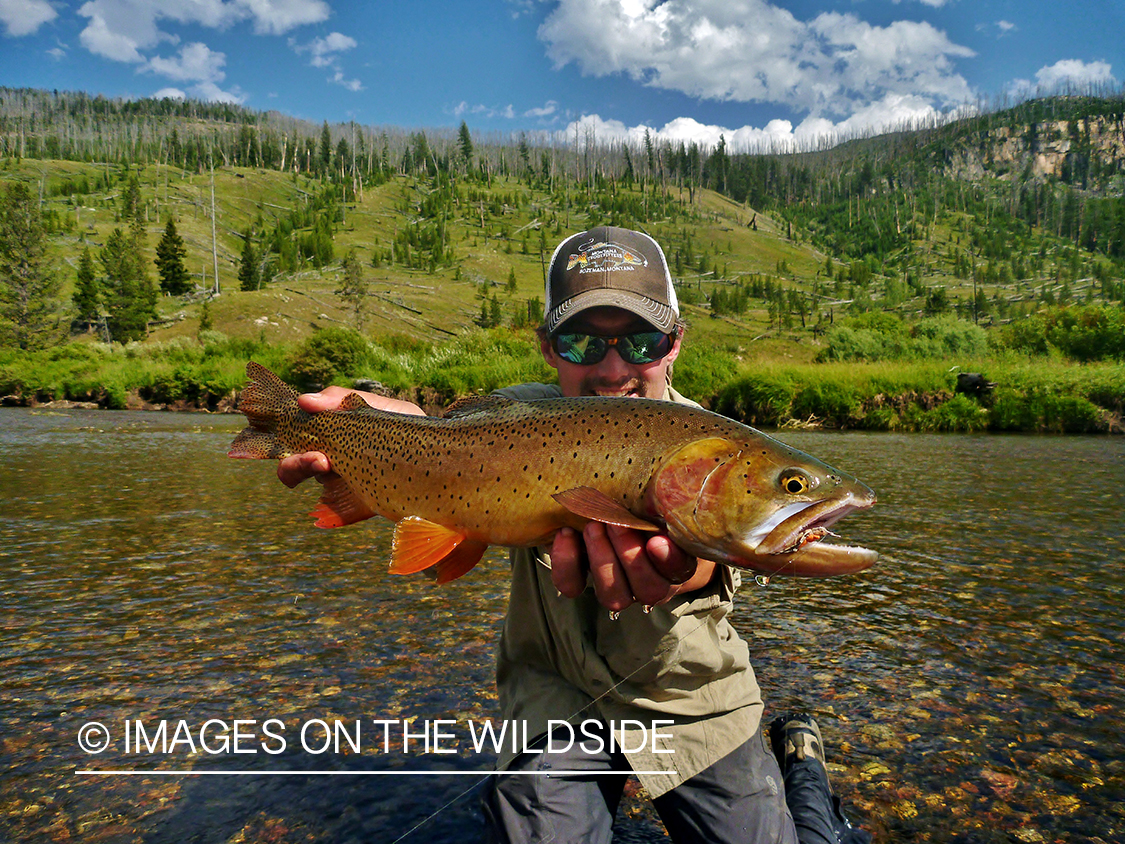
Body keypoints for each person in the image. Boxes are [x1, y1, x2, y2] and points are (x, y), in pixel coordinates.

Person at [277, 226, 870, 844]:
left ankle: (803, 770)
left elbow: (717, 561)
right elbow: (440, 433)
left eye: (640, 340)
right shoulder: (519, 414)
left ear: (674, 343)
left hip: (690, 697)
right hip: (552, 696)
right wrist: (365, 423)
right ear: (548, 348)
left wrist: (678, 572)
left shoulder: (718, 444)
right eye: (583, 342)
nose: (612, 368)